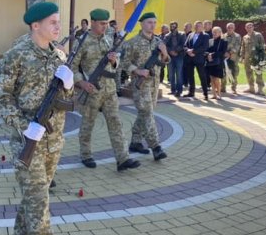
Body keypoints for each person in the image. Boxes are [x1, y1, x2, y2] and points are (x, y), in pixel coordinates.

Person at [0, 1, 73, 235]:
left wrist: (69, 83)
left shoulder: (59, 54)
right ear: (35, 25)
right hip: (28, 142)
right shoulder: (17, 54)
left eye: (58, 21)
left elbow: (66, 97)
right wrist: (23, 125)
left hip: (54, 140)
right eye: (52, 22)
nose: (57, 26)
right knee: (40, 204)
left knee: (36, 195)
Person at [72, 9, 141, 171]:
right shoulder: (81, 41)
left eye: (106, 23)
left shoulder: (109, 39)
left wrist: (114, 61)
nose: (105, 27)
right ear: (93, 22)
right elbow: (72, 67)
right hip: (91, 89)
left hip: (109, 89)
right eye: (102, 24)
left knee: (115, 122)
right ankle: (86, 154)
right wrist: (81, 83)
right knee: (88, 124)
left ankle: (122, 158)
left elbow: (116, 62)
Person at [123, 12, 170, 159]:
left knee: (144, 114)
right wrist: (138, 70)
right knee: (148, 114)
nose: (153, 25)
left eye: (154, 22)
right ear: (142, 24)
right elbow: (124, 64)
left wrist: (165, 53)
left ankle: (135, 142)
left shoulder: (158, 42)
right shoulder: (132, 42)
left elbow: (165, 62)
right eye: (149, 22)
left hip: (154, 84)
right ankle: (156, 147)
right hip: (140, 85)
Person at [183, 20, 209, 100]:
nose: (198, 27)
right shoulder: (190, 34)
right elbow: (185, 45)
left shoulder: (205, 36)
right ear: (194, 27)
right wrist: (188, 51)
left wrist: (193, 51)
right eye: (197, 26)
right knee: (190, 76)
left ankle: (205, 93)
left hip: (199, 59)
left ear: (202, 27)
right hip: (189, 59)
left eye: (200, 26)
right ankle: (191, 92)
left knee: (202, 76)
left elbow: (204, 47)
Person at [240, 22, 266, 96]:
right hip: (247, 58)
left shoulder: (258, 35)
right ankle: (251, 88)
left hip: (256, 57)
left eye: (250, 27)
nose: (249, 28)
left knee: (258, 73)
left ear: (253, 27)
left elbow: (263, 45)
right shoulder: (245, 37)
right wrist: (242, 57)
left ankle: (260, 89)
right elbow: (243, 47)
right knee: (248, 73)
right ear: (245, 28)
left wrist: (261, 56)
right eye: (247, 27)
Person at [206, 26, 228, 100]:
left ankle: (218, 93)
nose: (214, 33)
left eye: (216, 32)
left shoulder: (223, 41)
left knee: (216, 79)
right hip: (209, 62)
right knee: (211, 79)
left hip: (218, 62)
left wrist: (211, 55)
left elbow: (222, 52)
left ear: (220, 32)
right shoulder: (210, 41)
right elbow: (206, 50)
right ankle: (214, 94)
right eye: (213, 32)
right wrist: (208, 55)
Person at [163, 21, 185, 96]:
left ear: (177, 27)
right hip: (170, 57)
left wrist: (176, 51)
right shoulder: (167, 35)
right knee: (171, 74)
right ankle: (173, 90)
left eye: (174, 26)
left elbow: (183, 45)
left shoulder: (182, 34)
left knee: (179, 74)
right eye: (171, 26)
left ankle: (179, 90)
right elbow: (164, 45)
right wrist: (170, 51)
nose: (173, 28)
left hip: (179, 56)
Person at [222, 22, 241, 94]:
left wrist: (229, 53)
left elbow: (237, 46)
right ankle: (223, 87)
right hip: (224, 57)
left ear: (234, 28)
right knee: (224, 71)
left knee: (234, 72)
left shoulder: (237, 36)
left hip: (233, 57)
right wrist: (224, 53)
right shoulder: (223, 36)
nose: (230, 29)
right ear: (226, 28)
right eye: (228, 27)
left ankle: (234, 88)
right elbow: (221, 46)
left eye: (231, 27)